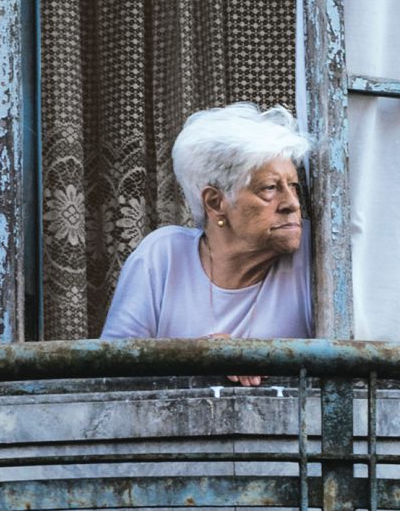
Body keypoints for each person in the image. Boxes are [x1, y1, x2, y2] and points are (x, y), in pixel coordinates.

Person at [100, 102, 313, 341]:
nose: (292, 203)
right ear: (215, 203)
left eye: (293, 186)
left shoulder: (318, 255)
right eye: (270, 188)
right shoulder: (163, 257)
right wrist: (196, 358)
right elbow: (113, 370)